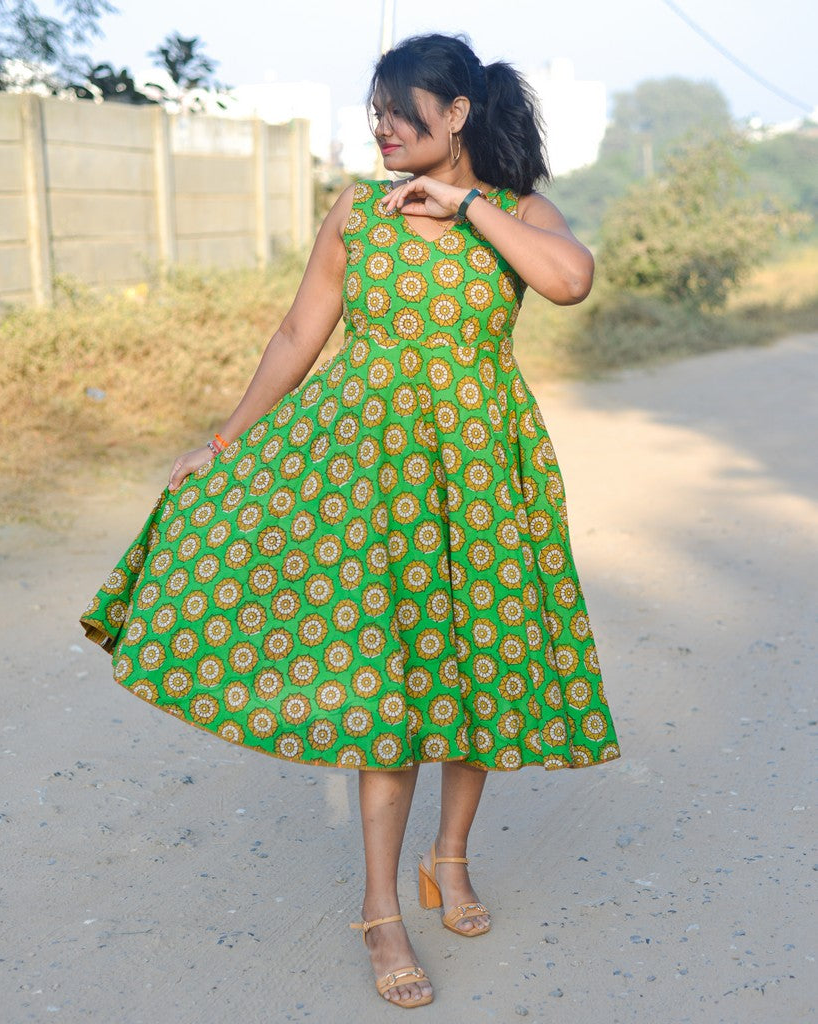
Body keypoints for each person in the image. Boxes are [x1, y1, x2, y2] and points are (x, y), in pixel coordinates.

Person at [81, 32, 620, 1010]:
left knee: (479, 666)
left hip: (483, 473)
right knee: (391, 687)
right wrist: (224, 438)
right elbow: (298, 332)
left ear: (456, 115)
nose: (380, 129)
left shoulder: (515, 213)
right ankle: (382, 909)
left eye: (399, 112)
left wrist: (464, 207)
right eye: (373, 111)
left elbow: (570, 280)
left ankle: (449, 858)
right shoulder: (357, 212)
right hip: (372, 476)